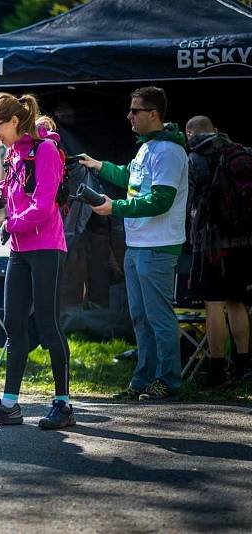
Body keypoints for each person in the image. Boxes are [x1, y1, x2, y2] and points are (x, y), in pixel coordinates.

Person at [0, 93, 75, 430]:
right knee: (14, 326)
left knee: (47, 325)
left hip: (46, 247)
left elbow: (44, 206)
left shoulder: (44, 150)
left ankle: (63, 404)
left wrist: (10, 223)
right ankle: (10, 405)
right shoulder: (15, 153)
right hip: (19, 248)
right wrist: (2, 193)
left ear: (15, 121)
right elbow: (16, 190)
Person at [80, 86, 188, 401]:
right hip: (139, 245)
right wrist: (98, 165)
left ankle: (168, 382)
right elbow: (130, 175)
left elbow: (160, 201)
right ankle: (142, 381)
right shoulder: (148, 147)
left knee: (158, 317)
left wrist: (115, 207)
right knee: (140, 318)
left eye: (135, 110)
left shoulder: (168, 151)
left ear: (153, 114)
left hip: (158, 247)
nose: (129, 115)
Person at [185, 115, 251, 387]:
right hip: (244, 241)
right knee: (238, 303)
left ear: (190, 134)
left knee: (214, 305)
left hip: (211, 244)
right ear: (215, 129)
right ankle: (244, 365)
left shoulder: (195, 159)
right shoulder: (242, 152)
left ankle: (215, 370)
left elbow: (189, 201)